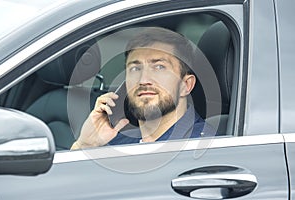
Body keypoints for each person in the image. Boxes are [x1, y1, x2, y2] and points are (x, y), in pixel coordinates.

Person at [71, 27, 216, 150]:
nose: (143, 80)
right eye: (135, 68)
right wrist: (85, 145)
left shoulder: (203, 147)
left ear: (186, 85)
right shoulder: (119, 142)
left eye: (159, 67)